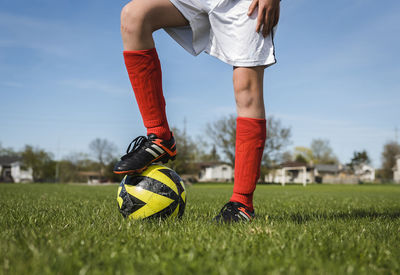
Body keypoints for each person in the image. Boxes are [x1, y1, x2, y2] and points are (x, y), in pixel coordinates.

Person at [113, 0, 280, 222]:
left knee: (246, 88)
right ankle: (160, 137)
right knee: (134, 16)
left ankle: (242, 203)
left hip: (244, 4)